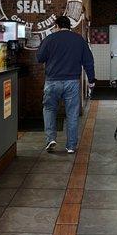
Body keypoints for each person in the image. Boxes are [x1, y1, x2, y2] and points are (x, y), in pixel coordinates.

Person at [37, 16, 95, 153]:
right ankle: (71, 146)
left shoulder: (49, 39)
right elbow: (88, 61)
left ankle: (50, 139)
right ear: (69, 26)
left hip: (52, 82)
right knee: (72, 114)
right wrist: (91, 80)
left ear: (57, 25)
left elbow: (40, 58)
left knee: (50, 110)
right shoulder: (79, 40)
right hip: (72, 82)